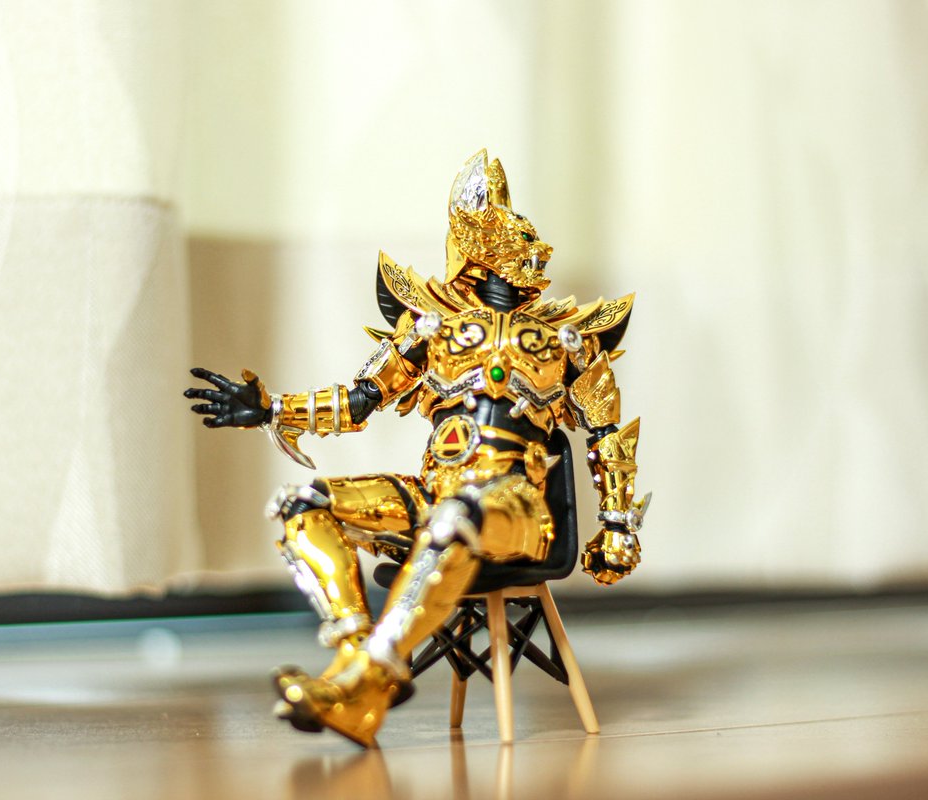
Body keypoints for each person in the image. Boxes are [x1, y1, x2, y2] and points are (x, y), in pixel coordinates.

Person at [185, 150, 648, 748]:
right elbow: (358, 400)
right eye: (522, 236)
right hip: (435, 493)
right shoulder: (430, 330)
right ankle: (359, 662)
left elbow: (607, 434)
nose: (540, 249)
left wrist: (618, 526)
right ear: (482, 248)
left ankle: (361, 683)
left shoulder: (568, 341)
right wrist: (274, 409)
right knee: (302, 504)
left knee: (455, 519)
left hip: (515, 507)